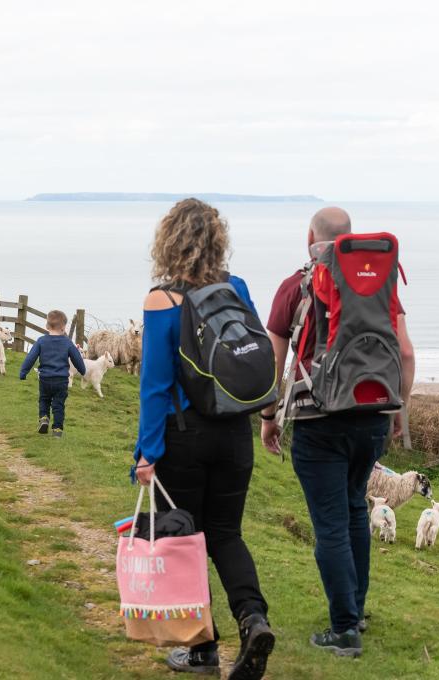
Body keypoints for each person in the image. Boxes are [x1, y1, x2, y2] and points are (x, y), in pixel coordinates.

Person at [260, 206, 416, 657]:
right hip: (372, 416)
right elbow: (405, 353)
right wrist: (398, 408)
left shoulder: (296, 286)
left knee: (330, 522)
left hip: (317, 419)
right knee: (353, 509)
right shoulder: (381, 286)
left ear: (310, 236)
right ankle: (355, 611)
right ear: (352, 238)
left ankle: (344, 629)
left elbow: (274, 361)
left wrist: (269, 417)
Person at [133, 199, 274, 680]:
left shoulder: (162, 300)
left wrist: (147, 453)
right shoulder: (236, 288)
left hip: (184, 437)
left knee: (187, 542)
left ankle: (202, 650)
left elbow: (153, 386)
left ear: (168, 240)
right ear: (218, 239)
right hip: (235, 433)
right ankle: (254, 621)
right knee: (227, 535)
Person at [19, 310, 86, 438]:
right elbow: (77, 358)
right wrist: (83, 371)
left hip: (45, 379)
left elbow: (30, 358)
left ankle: (44, 418)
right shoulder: (67, 342)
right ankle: (57, 430)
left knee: (44, 399)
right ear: (64, 327)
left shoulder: (41, 341)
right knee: (58, 404)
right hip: (61, 380)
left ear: (47, 326)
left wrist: (23, 372)